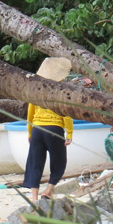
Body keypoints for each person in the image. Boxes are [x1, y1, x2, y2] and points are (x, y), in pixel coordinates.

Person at [23, 57, 74, 202]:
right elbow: (65, 113)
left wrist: (30, 132)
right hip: (54, 129)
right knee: (59, 162)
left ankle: (34, 197)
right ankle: (48, 190)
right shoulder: (60, 92)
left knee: (35, 162)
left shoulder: (36, 91)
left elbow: (30, 114)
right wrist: (69, 133)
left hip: (38, 129)